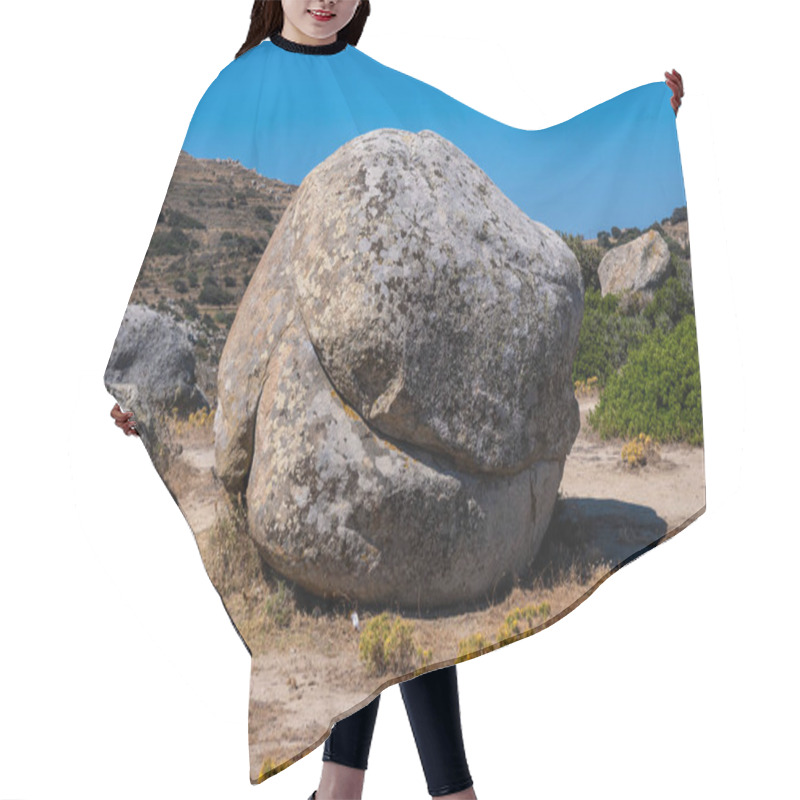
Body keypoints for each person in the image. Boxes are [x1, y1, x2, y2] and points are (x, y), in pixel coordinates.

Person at [110, 2, 685, 798]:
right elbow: (176, 204)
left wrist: (643, 118)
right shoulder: (237, 84)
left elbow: (512, 145)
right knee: (399, 599)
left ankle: (351, 790)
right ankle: (426, 791)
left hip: (368, 373)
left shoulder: (373, 81)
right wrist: (133, 390)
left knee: (395, 597)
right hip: (298, 342)